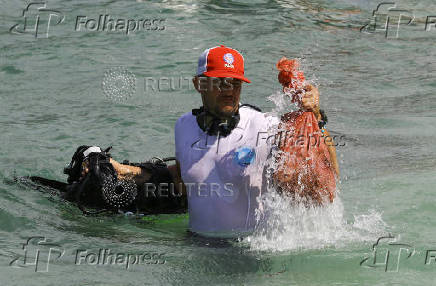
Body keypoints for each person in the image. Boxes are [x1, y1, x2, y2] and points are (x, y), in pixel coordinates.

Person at [105, 45, 339, 237]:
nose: (229, 90)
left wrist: (316, 117)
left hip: (250, 252)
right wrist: (126, 171)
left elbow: (327, 172)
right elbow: (187, 175)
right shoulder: (183, 126)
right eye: (220, 82)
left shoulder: (263, 126)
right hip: (196, 247)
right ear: (199, 84)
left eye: (235, 83)